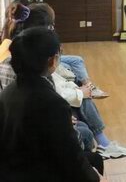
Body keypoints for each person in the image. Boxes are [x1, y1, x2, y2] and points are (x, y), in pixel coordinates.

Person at [0, 27, 104, 181]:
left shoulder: (8, 92)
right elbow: (70, 157)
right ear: (52, 60)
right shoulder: (52, 103)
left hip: (11, 169)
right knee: (94, 159)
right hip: (35, 171)